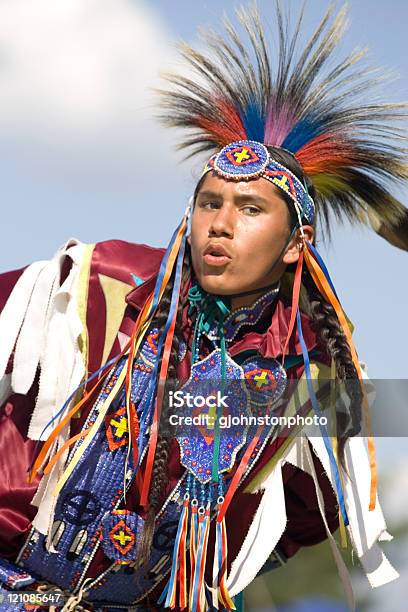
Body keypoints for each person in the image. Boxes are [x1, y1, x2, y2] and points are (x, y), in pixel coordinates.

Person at [0, 3, 407, 611]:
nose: (219, 225)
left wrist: (207, 572)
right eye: (209, 202)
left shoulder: (310, 375)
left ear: (297, 243)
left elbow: (304, 514)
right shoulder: (95, 284)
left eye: (249, 209)